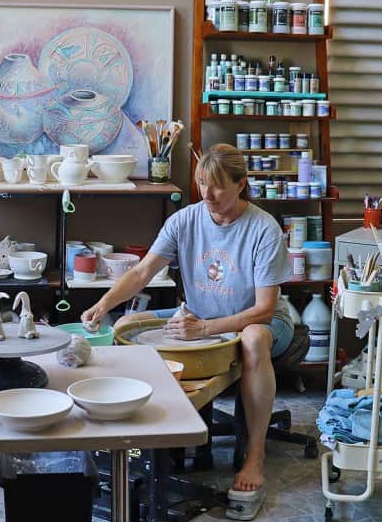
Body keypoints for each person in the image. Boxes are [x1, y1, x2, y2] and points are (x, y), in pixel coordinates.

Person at [81, 144, 292, 498]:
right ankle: (148, 441)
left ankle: (253, 456)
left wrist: (206, 329)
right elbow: (143, 271)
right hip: (199, 317)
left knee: (254, 338)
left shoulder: (263, 228)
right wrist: (102, 305)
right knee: (125, 325)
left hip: (260, 324)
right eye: (201, 184)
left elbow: (265, 310)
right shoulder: (184, 220)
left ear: (241, 185)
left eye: (217, 186)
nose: (207, 194)